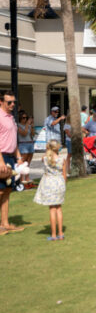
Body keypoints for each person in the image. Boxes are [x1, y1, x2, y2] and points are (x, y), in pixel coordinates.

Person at [0, 91, 24, 235]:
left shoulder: (11, 118)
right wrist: (1, 161)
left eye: (14, 102)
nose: (12, 105)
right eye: (9, 102)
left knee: (7, 191)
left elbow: (12, 140)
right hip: (2, 157)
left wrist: (19, 157)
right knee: (1, 190)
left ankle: (5, 223)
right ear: (1, 102)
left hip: (11, 157)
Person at [33, 139, 67, 241]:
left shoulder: (45, 159)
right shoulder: (62, 160)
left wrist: (47, 151)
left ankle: (53, 234)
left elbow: (44, 157)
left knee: (52, 209)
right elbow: (64, 174)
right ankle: (61, 233)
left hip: (49, 184)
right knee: (59, 209)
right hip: (59, 183)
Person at [17, 111, 34, 183]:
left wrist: (32, 126)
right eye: (23, 118)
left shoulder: (29, 126)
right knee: (22, 163)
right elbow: (24, 134)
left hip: (30, 144)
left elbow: (32, 134)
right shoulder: (18, 125)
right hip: (23, 144)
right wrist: (27, 125)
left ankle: (27, 178)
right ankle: (21, 179)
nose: (25, 119)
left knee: (28, 163)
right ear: (20, 118)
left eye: (26, 118)